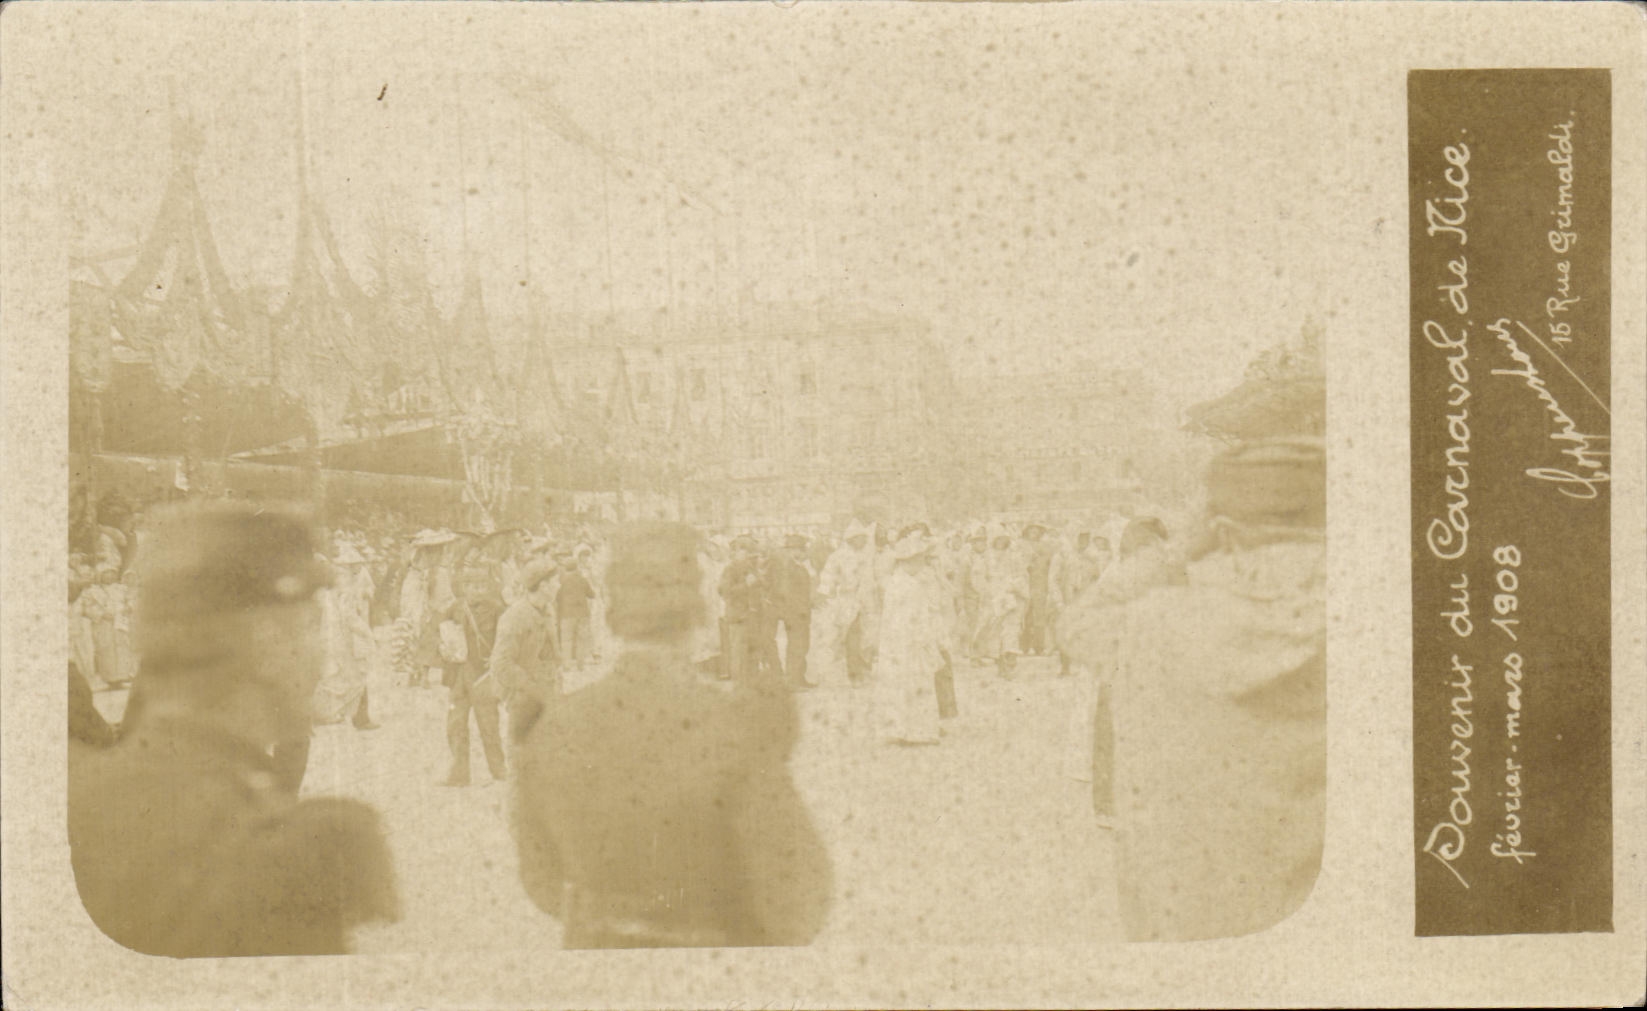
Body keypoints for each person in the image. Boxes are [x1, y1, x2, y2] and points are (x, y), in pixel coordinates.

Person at [68, 500, 398, 956]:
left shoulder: (75, 794)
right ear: (265, 637)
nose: (320, 654)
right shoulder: (273, 854)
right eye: (308, 626)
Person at [511, 522, 832, 948]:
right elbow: (798, 895)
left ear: (612, 618)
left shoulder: (552, 726)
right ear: (697, 616)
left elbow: (542, 881)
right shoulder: (733, 723)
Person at [1096, 438, 1325, 941]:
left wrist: (1175, 553)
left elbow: (1084, 626)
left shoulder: (1162, 621)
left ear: (1223, 529)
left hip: (1203, 903)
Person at [873, 529, 951, 745]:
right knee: (915, 686)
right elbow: (914, 620)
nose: (923, 565)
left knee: (899, 687)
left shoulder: (898, 583)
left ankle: (899, 730)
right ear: (910, 561)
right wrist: (928, 641)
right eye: (921, 560)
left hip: (898, 646)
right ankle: (918, 732)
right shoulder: (907, 586)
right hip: (911, 645)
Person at [439, 565, 507, 786]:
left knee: (489, 724)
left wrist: (497, 659)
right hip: (458, 676)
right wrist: (443, 649)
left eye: (483, 585)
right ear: (464, 587)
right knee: (456, 725)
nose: (479, 590)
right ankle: (459, 774)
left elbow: (507, 638)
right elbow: (438, 633)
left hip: (482, 675)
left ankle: (499, 771)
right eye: (474, 586)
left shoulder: (497, 608)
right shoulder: (454, 608)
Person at [491, 558, 561, 746]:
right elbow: (501, 663)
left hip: (548, 688)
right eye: (556, 581)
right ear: (544, 586)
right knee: (521, 750)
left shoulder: (548, 609)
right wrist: (529, 686)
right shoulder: (514, 617)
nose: (559, 585)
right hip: (523, 694)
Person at [815, 520, 875, 686]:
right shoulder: (838, 556)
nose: (864, 541)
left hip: (865, 601)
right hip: (847, 602)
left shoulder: (865, 555)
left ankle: (863, 669)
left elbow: (871, 577)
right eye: (861, 538)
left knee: (867, 637)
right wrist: (824, 592)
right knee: (851, 637)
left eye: (865, 538)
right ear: (852, 539)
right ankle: (854, 674)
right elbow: (828, 576)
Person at [977, 524, 1029, 677]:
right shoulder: (986, 557)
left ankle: (1010, 660)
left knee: (1011, 631)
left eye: (1003, 539)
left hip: (1012, 598)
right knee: (995, 633)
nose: (1001, 543)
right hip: (993, 599)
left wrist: (1014, 586)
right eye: (998, 539)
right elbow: (978, 577)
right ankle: (1000, 664)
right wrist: (988, 590)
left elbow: (1023, 575)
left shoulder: (1014, 556)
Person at [766, 534, 816, 690]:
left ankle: (799, 677)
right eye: (800, 549)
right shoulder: (787, 566)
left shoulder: (797, 564)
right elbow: (785, 591)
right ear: (793, 549)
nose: (803, 552)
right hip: (794, 611)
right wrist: (799, 608)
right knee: (797, 645)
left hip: (800, 610)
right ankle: (793, 681)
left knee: (802, 645)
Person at [718, 535, 766, 682]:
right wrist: (746, 585)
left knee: (754, 652)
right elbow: (724, 592)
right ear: (735, 553)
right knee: (739, 654)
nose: (748, 555)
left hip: (754, 616)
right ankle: (740, 689)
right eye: (743, 551)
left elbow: (759, 588)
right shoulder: (730, 569)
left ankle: (753, 687)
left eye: (750, 552)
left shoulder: (752, 568)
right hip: (739, 617)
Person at [555, 551, 597, 670]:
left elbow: (557, 597)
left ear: (566, 568)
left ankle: (567, 666)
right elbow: (591, 594)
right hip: (583, 614)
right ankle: (580, 665)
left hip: (567, 614)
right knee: (581, 639)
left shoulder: (562, 581)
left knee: (566, 640)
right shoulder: (582, 579)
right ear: (576, 567)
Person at [1020, 521, 1056, 655]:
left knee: (1039, 617)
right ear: (1027, 532)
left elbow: (1051, 566)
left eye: (1037, 531)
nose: (1034, 533)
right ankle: (1023, 646)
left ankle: (1038, 646)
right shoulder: (1020, 546)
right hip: (1024, 585)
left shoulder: (1046, 547)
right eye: (1031, 530)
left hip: (1040, 586)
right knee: (1024, 616)